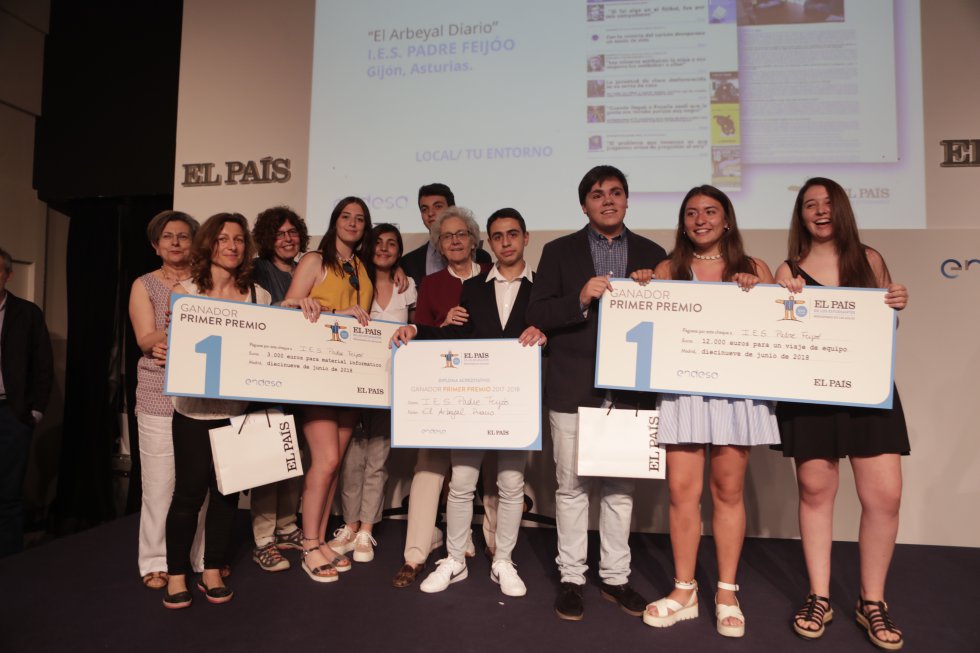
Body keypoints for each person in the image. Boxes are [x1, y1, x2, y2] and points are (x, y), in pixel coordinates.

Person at [526, 165, 667, 621]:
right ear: (583, 204)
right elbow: (539, 312)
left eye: (616, 193)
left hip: (629, 392)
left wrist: (656, 290)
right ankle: (571, 577)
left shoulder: (652, 253)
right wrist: (580, 299)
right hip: (573, 387)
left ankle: (614, 577)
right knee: (570, 489)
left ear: (627, 200)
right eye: (597, 194)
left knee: (620, 490)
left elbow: (670, 319)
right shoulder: (559, 251)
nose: (607, 200)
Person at [774, 177, 909, 651]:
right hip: (809, 397)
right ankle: (820, 595)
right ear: (801, 215)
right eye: (809, 205)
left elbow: (884, 325)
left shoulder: (869, 259)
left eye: (827, 204)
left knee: (885, 497)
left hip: (867, 392)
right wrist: (781, 298)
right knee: (816, 492)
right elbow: (778, 335)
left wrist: (895, 304)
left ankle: (872, 601)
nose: (819, 211)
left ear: (843, 209)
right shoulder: (787, 269)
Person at [638, 186, 778, 638]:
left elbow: (778, 327)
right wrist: (640, 289)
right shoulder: (667, 269)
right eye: (692, 213)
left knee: (727, 490)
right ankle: (684, 590)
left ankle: (726, 591)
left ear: (727, 219)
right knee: (681, 491)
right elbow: (645, 323)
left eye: (711, 211)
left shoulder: (754, 268)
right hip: (682, 391)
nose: (701, 219)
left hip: (736, 392)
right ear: (683, 223)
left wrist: (762, 293)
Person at [391, 208, 546, 597]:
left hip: (515, 406)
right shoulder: (473, 289)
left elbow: (555, 334)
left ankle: (503, 561)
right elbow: (455, 339)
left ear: (526, 238)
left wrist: (547, 336)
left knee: (511, 484)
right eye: (498, 236)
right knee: (460, 482)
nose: (506, 242)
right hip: (472, 403)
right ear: (489, 243)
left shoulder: (542, 288)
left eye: (513, 234)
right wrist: (418, 329)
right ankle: (455, 559)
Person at [161, 213, 272, 608]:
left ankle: (212, 569)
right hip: (192, 411)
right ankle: (176, 575)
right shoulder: (186, 292)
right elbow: (176, 347)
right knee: (188, 495)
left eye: (239, 239)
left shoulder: (260, 297)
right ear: (210, 244)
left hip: (236, 413)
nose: (232, 245)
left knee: (228, 494)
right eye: (224, 238)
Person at [390, 206, 491, 589]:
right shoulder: (430, 284)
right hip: (440, 388)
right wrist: (440, 327)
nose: (454, 241)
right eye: (446, 237)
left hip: (485, 389)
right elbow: (421, 335)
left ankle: (496, 550)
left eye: (461, 234)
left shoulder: (492, 276)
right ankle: (414, 556)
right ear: (438, 244)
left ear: (473, 238)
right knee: (429, 468)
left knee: (491, 470)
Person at [282, 197, 374, 583]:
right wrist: (334, 314)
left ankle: (319, 539)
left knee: (334, 462)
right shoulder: (314, 261)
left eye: (359, 219)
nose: (352, 223)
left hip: (349, 378)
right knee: (325, 460)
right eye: (345, 216)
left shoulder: (362, 267)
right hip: (318, 374)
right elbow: (286, 306)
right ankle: (308, 545)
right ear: (334, 221)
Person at [128, 211, 207, 588]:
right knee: (160, 483)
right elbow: (146, 339)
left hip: (202, 394)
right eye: (167, 237)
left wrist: (176, 339)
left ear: (195, 242)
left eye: (183, 236)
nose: (175, 242)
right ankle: (156, 560)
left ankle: (199, 557)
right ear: (155, 245)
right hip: (158, 392)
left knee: (199, 483)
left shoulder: (206, 282)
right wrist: (176, 336)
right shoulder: (144, 284)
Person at [330, 224, 417, 563]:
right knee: (351, 460)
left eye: (392, 244)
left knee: (378, 461)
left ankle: (367, 528)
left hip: (389, 386)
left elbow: (415, 326)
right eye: (378, 243)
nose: (384, 248)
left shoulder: (407, 286)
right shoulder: (356, 282)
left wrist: (413, 329)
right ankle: (349, 525)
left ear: (399, 251)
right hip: (351, 384)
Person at [246, 206, 311, 573]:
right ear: (268, 238)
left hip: (301, 382)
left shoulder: (308, 270)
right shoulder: (257, 271)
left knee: (294, 460)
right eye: (280, 233)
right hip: (268, 381)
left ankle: (287, 526)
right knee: (269, 463)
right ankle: (262, 540)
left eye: (293, 233)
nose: (288, 239)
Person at [0, 246, 53, 558]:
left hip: (12, 415)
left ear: (8, 275)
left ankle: (10, 560)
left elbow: (43, 366)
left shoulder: (27, 314)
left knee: (8, 492)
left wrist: (35, 410)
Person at [399, 183, 492, 288]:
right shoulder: (408, 262)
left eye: (438, 206)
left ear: (451, 209)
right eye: (424, 209)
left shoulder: (482, 258)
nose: (430, 213)